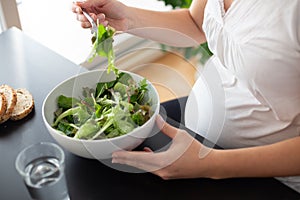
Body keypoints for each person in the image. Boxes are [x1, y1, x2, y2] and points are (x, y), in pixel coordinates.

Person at [72, 0, 300, 192]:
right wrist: (126, 18)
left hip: (265, 175)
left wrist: (210, 165)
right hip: (194, 132)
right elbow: (195, 23)